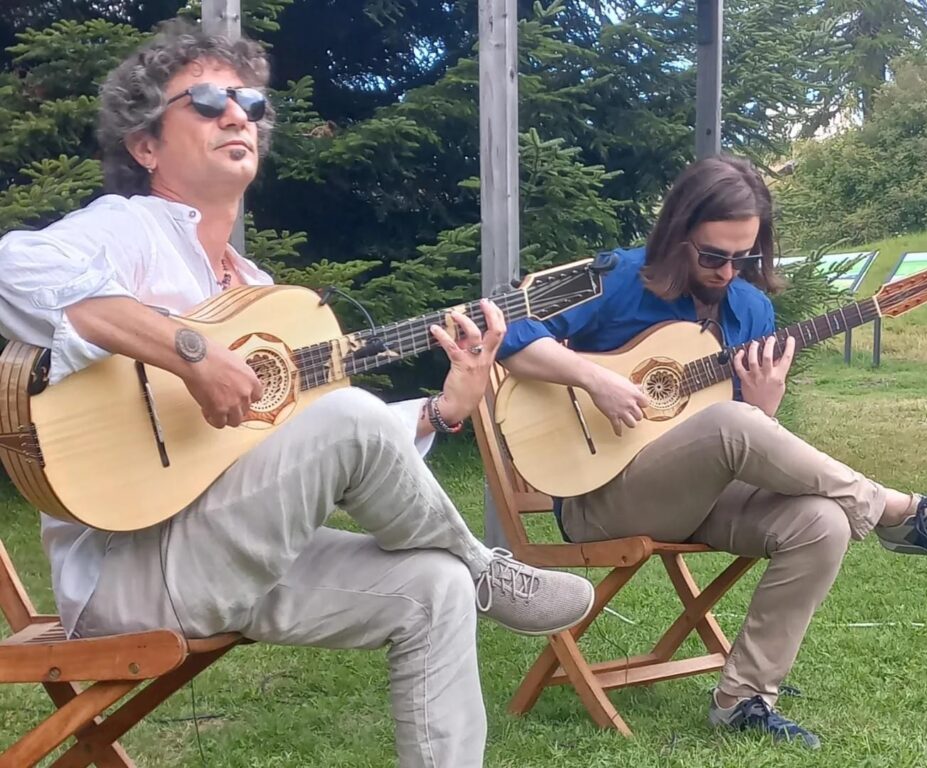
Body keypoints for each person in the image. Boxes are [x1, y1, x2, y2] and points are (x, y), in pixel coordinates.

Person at [0, 21, 595, 768]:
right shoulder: (125, 230)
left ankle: (466, 577)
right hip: (130, 577)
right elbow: (14, 271)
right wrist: (191, 352)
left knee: (432, 585)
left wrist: (445, 408)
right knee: (363, 436)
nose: (237, 113)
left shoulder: (258, 294)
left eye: (249, 101)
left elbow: (321, 440)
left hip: (241, 558)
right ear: (145, 145)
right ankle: (488, 567)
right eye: (208, 99)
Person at [498, 154, 927, 749]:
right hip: (600, 496)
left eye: (744, 256)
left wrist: (766, 404)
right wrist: (596, 380)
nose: (726, 270)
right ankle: (896, 510)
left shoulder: (752, 311)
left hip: (696, 497)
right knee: (736, 423)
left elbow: (740, 441)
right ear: (677, 232)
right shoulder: (618, 279)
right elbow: (506, 331)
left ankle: (744, 699)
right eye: (713, 255)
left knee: (821, 522)